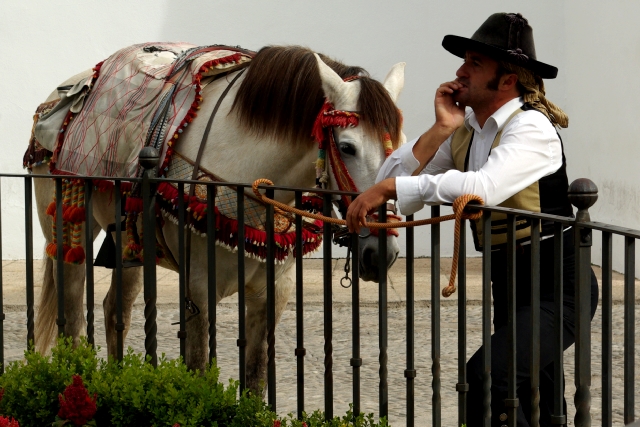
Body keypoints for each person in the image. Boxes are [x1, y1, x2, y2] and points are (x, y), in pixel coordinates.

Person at [346, 12, 598, 427]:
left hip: (557, 282)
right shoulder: (465, 129)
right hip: (510, 278)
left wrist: (392, 192)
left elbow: (481, 187)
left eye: (474, 64)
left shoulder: (531, 127)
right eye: (464, 61)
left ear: (507, 81)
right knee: (537, 400)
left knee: (489, 377)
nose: (460, 72)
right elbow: (385, 178)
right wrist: (439, 128)